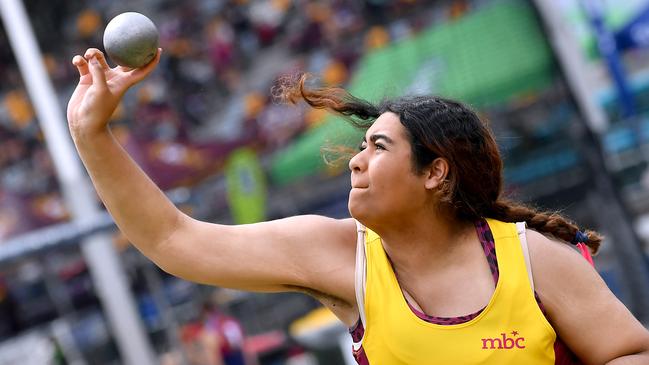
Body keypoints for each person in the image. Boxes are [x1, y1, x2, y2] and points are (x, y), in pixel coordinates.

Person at [67, 48, 649, 364]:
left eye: (378, 147)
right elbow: (175, 241)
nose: (355, 161)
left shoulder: (534, 260)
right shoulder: (340, 255)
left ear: (435, 172)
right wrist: (93, 135)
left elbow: (630, 353)